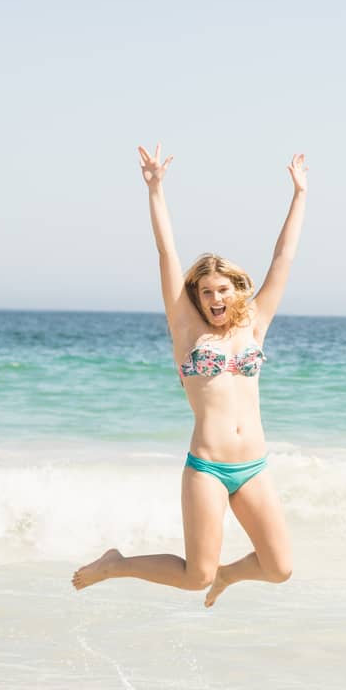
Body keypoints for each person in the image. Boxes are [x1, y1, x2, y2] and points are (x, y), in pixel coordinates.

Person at [73, 144, 307, 608]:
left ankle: (230, 576)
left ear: (236, 289)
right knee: (194, 576)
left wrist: (299, 194)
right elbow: (167, 253)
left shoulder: (255, 322)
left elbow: (283, 258)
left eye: (222, 290)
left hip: (254, 465)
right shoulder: (187, 329)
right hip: (208, 468)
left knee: (279, 568)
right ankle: (116, 563)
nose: (215, 299)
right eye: (205, 292)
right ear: (196, 297)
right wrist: (155, 189)